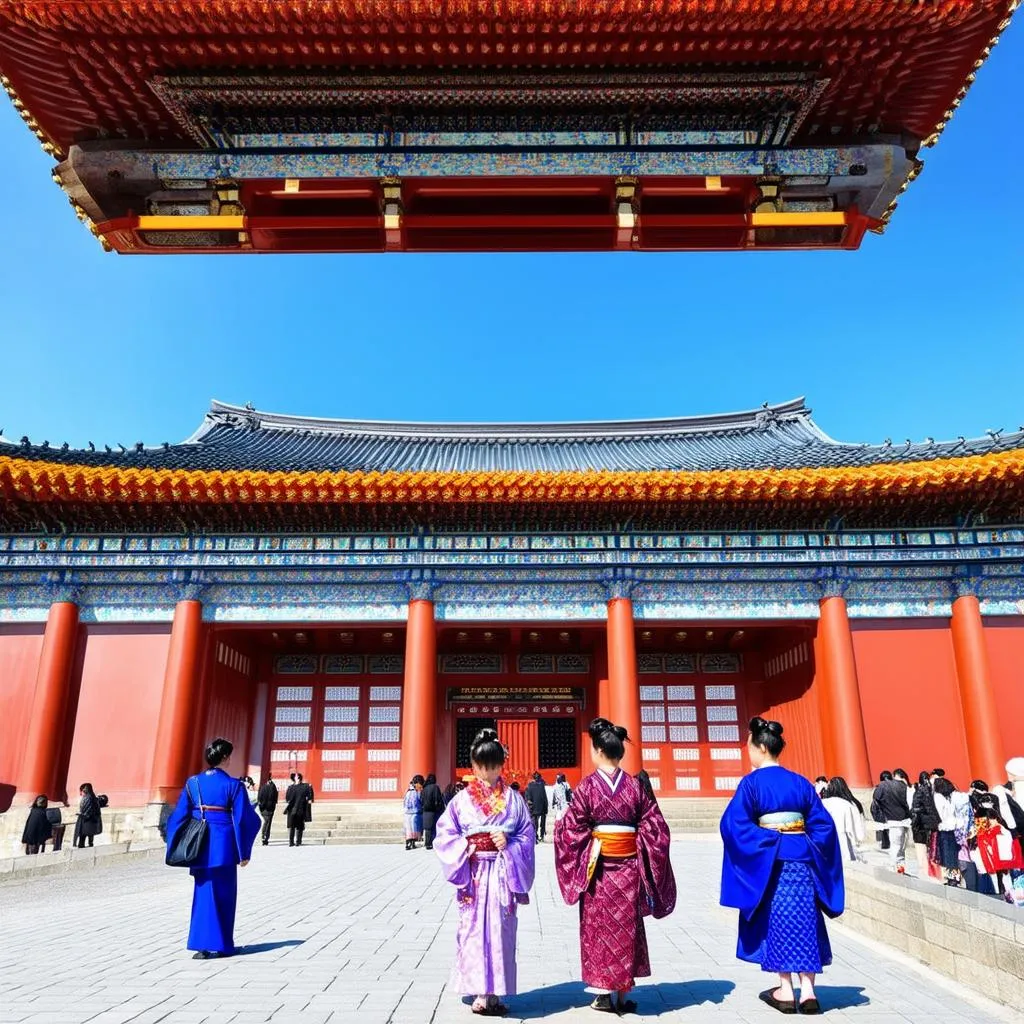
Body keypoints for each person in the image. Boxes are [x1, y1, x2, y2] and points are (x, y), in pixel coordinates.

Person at [720, 717, 844, 1016]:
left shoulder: (751, 784)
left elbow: (733, 826)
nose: (747, 751)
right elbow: (823, 827)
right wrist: (802, 842)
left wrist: (767, 839)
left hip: (771, 866)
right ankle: (809, 991)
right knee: (807, 921)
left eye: (749, 746)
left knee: (778, 922)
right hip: (803, 863)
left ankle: (786, 990)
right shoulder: (800, 782)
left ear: (761, 747)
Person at [555, 718, 676, 1015]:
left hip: (598, 871)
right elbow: (655, 826)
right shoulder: (635, 786)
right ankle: (623, 993)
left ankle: (607, 993)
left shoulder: (586, 788)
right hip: (630, 869)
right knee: (626, 928)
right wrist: (637, 844)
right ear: (619, 752)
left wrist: (562, 831)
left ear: (597, 751)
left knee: (602, 932)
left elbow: (571, 830)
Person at [434, 728, 536, 1017]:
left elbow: (527, 835)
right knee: (474, 931)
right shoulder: (461, 800)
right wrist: (465, 847)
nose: (489, 773)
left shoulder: (514, 799)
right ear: (474, 766)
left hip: (503, 872)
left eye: (494, 766)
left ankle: (497, 992)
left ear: (501, 765)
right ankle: (480, 991)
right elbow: (444, 835)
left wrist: (511, 843)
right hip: (475, 874)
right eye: (483, 766)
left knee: (502, 932)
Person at [164, 737, 260, 959]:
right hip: (224, 846)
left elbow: (178, 817)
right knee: (225, 895)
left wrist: (173, 844)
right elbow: (243, 819)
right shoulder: (234, 786)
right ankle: (223, 945)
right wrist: (244, 851)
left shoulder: (193, 783)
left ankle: (201, 945)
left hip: (200, 845)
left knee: (203, 893)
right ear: (225, 758)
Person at [933, 777, 972, 886]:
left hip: (945, 827)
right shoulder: (952, 797)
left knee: (948, 855)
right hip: (954, 827)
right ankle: (954, 877)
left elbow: (941, 814)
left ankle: (953, 879)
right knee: (952, 855)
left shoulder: (938, 797)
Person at [871, 770, 912, 873]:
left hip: (893, 820)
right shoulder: (902, 785)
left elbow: (876, 800)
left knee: (895, 845)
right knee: (902, 846)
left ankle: (894, 866)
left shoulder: (881, 787)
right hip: (905, 820)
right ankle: (901, 866)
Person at [820, 778, 865, 863]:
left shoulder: (823, 803)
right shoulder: (849, 804)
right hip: (844, 838)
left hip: (826, 838)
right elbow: (858, 829)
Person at [910, 770, 941, 881]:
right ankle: (931, 870)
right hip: (931, 823)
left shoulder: (919, 791)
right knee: (931, 848)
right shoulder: (931, 790)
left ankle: (926, 870)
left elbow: (915, 809)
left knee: (924, 849)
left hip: (923, 824)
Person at [285, 772, 313, 847]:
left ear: (298, 778)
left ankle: (297, 841)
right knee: (293, 826)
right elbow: (287, 798)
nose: (295, 777)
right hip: (293, 809)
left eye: (296, 776)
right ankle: (292, 842)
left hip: (300, 809)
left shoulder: (305, 786)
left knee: (298, 826)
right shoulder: (291, 787)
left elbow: (310, 797)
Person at [74, 782, 103, 849]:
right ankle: (90, 845)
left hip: (86, 820)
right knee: (90, 836)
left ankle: (82, 846)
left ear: (84, 791)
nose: (81, 794)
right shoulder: (92, 797)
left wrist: (82, 815)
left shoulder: (88, 798)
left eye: (81, 791)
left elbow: (86, 810)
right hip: (92, 821)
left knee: (83, 836)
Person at [421, 773, 446, 851]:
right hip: (433, 811)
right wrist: (441, 809)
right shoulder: (435, 787)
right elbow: (438, 799)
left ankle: (427, 843)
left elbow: (421, 799)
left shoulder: (424, 788)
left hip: (425, 811)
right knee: (434, 828)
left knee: (427, 829)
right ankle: (434, 843)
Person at [525, 772, 549, 843]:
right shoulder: (539, 785)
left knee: (538, 823)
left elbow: (544, 796)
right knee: (538, 823)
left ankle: (539, 836)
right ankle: (538, 836)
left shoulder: (537, 785)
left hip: (537, 807)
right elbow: (544, 796)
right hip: (537, 807)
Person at [257, 775, 279, 847]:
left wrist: (261, 806)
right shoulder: (273, 787)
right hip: (268, 808)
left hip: (265, 808)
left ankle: (264, 838)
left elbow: (259, 797)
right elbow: (275, 798)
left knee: (267, 822)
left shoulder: (263, 787)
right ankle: (264, 837)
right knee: (267, 823)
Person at [404, 775, 424, 850]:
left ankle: (407, 843)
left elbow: (404, 801)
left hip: (407, 812)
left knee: (408, 828)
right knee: (414, 828)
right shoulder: (417, 791)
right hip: (415, 812)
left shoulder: (407, 791)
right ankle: (413, 843)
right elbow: (419, 800)